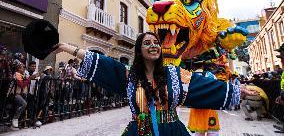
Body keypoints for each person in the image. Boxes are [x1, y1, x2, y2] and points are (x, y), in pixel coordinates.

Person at [54, 32, 241, 136]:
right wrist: (64, 47)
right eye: (147, 43)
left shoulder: (175, 74)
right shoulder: (129, 76)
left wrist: (240, 91)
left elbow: (204, 85)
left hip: (172, 131)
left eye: (156, 42)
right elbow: (100, 62)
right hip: (140, 131)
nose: (153, 45)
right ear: (139, 50)